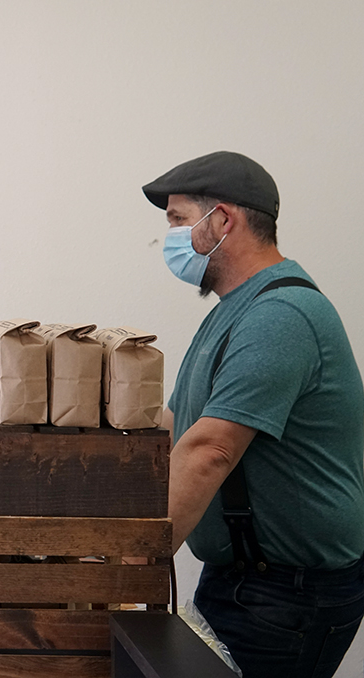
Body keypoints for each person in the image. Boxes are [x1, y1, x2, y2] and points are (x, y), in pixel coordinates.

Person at [144, 151, 364, 678]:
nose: (169, 237)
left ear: (222, 220)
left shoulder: (280, 316)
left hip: (287, 597)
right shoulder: (234, 310)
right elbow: (173, 426)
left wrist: (130, 562)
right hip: (245, 581)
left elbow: (209, 450)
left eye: (177, 220)